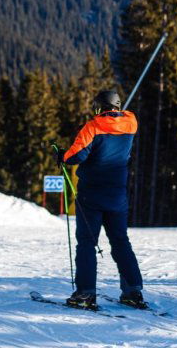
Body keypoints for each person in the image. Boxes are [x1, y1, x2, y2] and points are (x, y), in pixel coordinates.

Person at [58, 90, 144, 309]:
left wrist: (61, 155)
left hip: (92, 194)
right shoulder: (131, 123)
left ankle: (86, 293)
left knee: (87, 243)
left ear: (98, 107)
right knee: (120, 241)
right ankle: (133, 291)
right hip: (117, 195)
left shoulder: (92, 126)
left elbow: (75, 156)